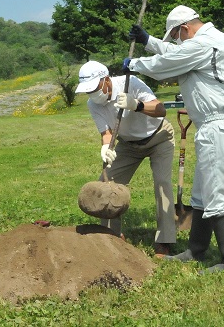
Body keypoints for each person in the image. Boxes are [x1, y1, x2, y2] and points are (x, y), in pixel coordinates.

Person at [127, 5, 224, 272]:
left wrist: (134, 64)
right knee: (203, 193)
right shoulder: (205, 42)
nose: (178, 41)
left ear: (184, 28)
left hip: (219, 125)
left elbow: (170, 62)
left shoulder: (205, 44)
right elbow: (177, 53)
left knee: (217, 192)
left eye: (177, 36)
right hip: (214, 126)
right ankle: (196, 249)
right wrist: (150, 42)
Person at [75, 60, 177, 256]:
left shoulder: (131, 83)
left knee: (162, 184)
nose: (92, 94)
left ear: (106, 80)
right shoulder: (93, 103)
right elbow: (106, 131)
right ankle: (111, 234)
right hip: (129, 144)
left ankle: (165, 240)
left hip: (159, 136)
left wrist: (135, 104)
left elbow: (160, 109)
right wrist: (106, 146)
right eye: (88, 91)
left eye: (94, 88)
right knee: (105, 183)